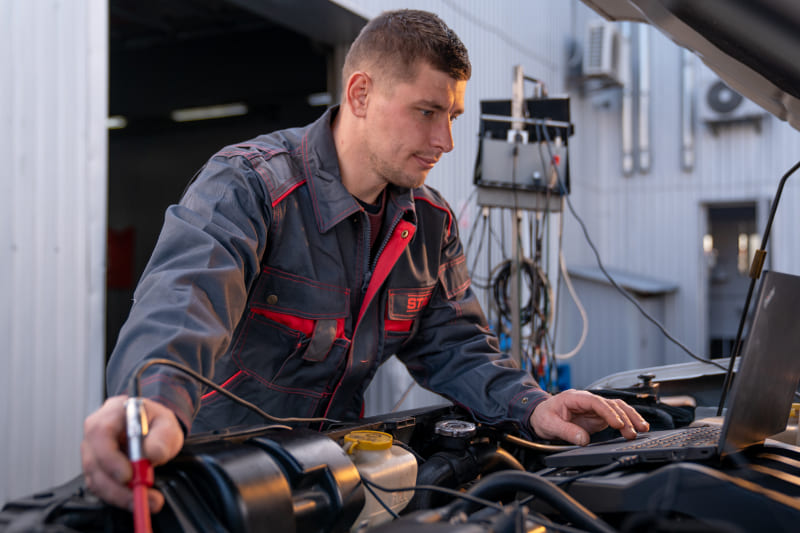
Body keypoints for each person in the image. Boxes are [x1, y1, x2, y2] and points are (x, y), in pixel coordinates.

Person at [82, 9, 649, 512]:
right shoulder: (249, 186)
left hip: (336, 487)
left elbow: (458, 347)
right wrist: (149, 401)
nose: (446, 140)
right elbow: (185, 301)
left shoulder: (430, 223)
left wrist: (534, 407)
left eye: (452, 114)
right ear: (359, 95)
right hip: (220, 491)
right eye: (427, 111)